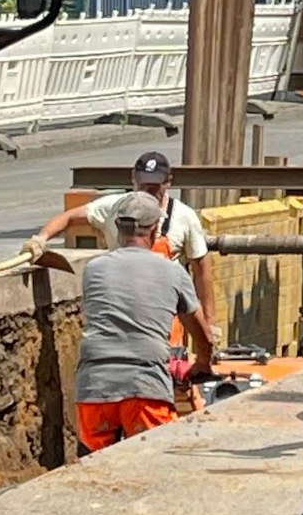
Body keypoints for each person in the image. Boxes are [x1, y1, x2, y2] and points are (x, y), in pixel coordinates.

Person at [73, 192, 215, 453]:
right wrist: (203, 363)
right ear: (156, 229)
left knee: (92, 468)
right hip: (144, 386)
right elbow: (202, 335)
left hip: (95, 385)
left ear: (117, 228)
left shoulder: (94, 269)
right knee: (151, 465)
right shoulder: (172, 272)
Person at [26, 150, 217, 337]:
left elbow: (201, 270)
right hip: (122, 309)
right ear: (133, 178)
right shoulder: (113, 207)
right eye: (143, 185)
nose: (148, 192)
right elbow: (69, 218)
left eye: (155, 187)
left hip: (165, 315)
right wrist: (41, 239)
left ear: (168, 182)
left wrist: (210, 323)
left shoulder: (184, 217)